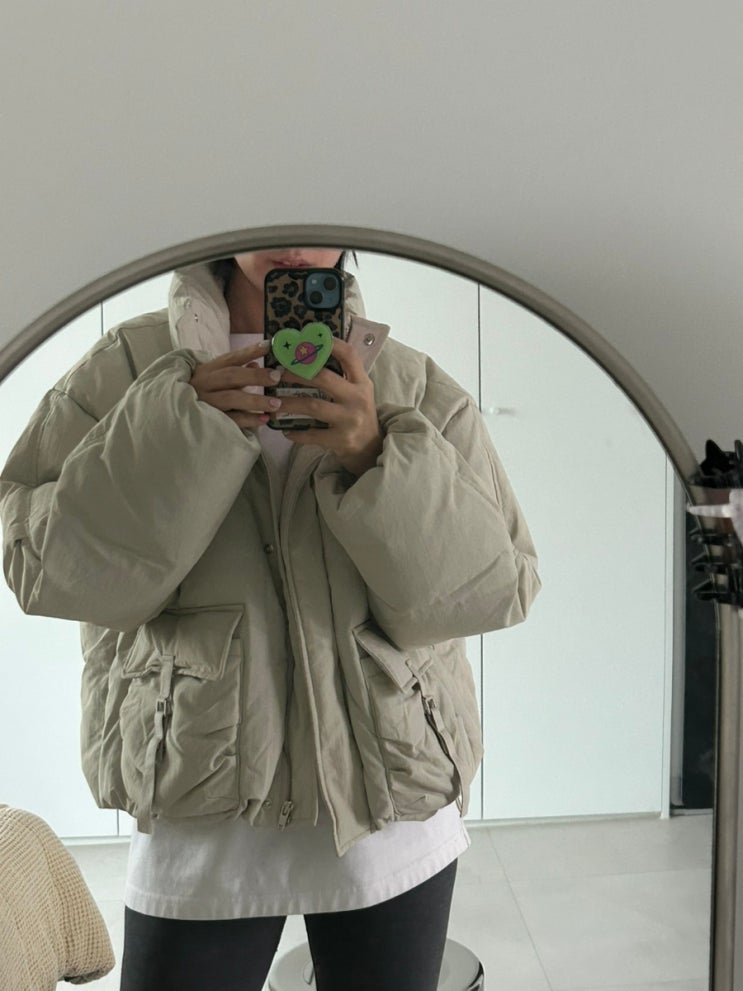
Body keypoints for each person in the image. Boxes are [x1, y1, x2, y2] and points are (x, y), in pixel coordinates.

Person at [0, 247, 541, 991]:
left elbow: (492, 587)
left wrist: (376, 455)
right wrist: (181, 430)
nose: (290, 231)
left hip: (385, 801)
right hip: (199, 797)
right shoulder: (127, 367)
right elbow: (47, 569)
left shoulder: (407, 382)